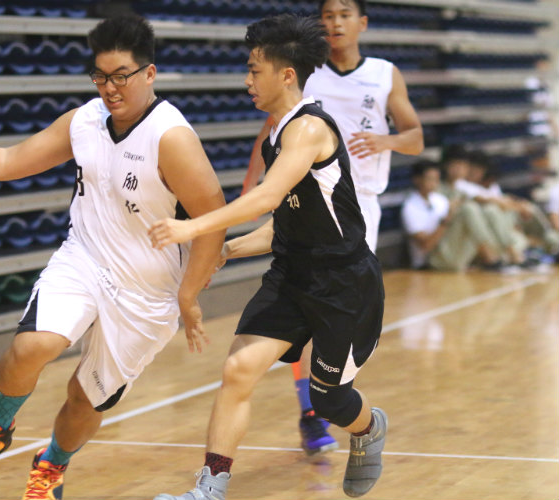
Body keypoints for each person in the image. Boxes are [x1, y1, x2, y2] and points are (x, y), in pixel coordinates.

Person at [0, 15, 226, 500]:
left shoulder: (172, 138)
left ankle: (51, 465)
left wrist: (189, 295)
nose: (110, 87)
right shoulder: (84, 121)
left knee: (85, 400)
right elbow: (9, 161)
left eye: (122, 75)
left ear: (149, 74)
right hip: (85, 259)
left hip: (147, 293)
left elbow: (213, 218)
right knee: (32, 346)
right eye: (101, 76)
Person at [149, 14, 387, 499]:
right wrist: (231, 249)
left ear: (286, 75)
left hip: (343, 283)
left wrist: (193, 228)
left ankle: (368, 429)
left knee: (329, 400)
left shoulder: (309, 130)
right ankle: (209, 488)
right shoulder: (278, 133)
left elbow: (266, 196)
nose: (247, 79)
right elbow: (284, 219)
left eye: (255, 70)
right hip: (292, 275)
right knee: (237, 369)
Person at [244, 0, 423, 456]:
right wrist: (253, 192)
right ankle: (310, 410)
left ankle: (331, 400)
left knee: (330, 315)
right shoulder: (305, 73)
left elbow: (416, 137)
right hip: (303, 200)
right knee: (299, 301)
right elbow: (270, 134)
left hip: (358, 208)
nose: (335, 22)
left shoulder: (385, 73)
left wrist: (385, 140)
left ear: (361, 23)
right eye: (327, 15)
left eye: (344, 14)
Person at [401, 160, 503, 271]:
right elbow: (426, 246)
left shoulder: (439, 199)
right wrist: (446, 220)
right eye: (430, 179)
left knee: (479, 210)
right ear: (417, 180)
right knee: (468, 210)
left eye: (436, 179)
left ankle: (494, 254)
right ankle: (489, 257)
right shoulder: (410, 207)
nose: (434, 183)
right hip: (430, 260)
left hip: (447, 250)